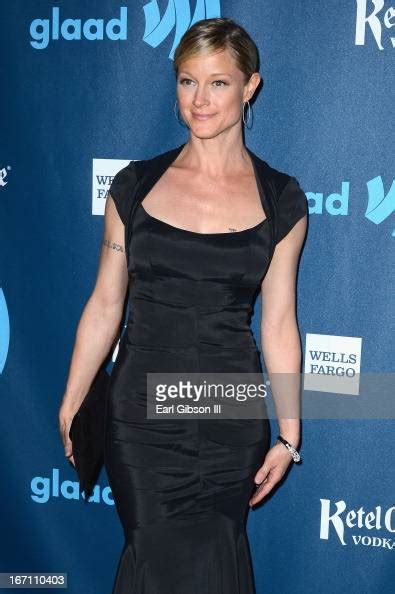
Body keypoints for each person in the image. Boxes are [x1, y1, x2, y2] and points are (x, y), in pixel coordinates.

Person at [59, 17, 308, 594]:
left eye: (218, 83)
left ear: (250, 87)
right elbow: (104, 303)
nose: (199, 100)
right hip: (142, 418)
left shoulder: (282, 200)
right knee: (156, 554)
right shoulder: (134, 186)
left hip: (229, 415)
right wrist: (73, 400)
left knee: (216, 559)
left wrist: (290, 434)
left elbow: (278, 323)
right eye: (187, 81)